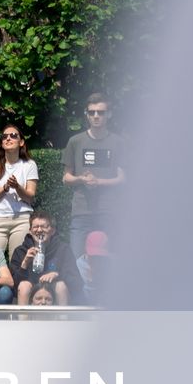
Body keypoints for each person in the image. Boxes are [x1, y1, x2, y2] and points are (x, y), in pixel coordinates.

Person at [62, 93, 124, 260]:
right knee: (76, 259)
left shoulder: (118, 142)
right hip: (81, 211)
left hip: (108, 210)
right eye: (92, 112)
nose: (96, 116)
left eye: (101, 112)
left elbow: (123, 178)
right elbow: (66, 177)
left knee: (111, 259)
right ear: (86, 114)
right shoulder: (75, 141)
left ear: (109, 114)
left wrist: (99, 181)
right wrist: (81, 179)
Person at [0, 122, 38, 258]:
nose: (8, 138)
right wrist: (4, 188)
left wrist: (17, 187)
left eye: (13, 135)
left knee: (18, 262)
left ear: (21, 142)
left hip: (22, 220)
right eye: (4, 136)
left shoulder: (29, 165)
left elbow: (30, 197)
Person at [11, 209, 78, 306]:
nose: (39, 230)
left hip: (54, 293)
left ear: (52, 230)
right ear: (30, 231)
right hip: (31, 293)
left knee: (61, 286)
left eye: (43, 227)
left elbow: (76, 282)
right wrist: (24, 264)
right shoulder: (20, 251)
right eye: (35, 227)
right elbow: (14, 286)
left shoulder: (63, 249)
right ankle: (23, 321)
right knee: (24, 286)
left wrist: (57, 275)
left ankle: (63, 320)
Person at [75, 228, 109, 302]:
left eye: (100, 256)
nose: (96, 259)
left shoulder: (111, 265)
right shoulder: (79, 265)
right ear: (86, 250)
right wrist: (90, 281)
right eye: (93, 256)